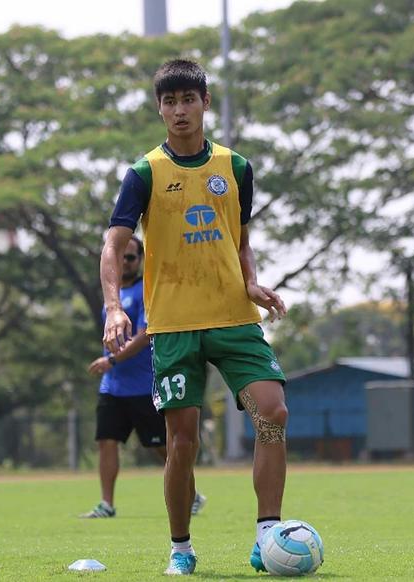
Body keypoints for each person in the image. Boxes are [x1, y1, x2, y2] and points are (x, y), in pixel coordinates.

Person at [101, 59, 289, 576]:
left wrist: (250, 280)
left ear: (206, 102)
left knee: (271, 415)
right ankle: (181, 547)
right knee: (183, 441)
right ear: (159, 108)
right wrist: (115, 306)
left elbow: (241, 237)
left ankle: (268, 535)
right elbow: (113, 243)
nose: (179, 111)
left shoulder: (237, 168)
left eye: (188, 100)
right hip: (174, 326)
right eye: (169, 102)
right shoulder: (144, 173)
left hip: (233, 318)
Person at [81, 235, 205, 519]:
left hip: (142, 385)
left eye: (131, 257)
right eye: (121, 255)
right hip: (112, 386)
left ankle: (192, 493)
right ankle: (106, 504)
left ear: (140, 260)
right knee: (107, 440)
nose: (125, 261)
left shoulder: (145, 292)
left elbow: (144, 334)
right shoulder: (111, 296)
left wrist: (112, 359)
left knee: (162, 446)